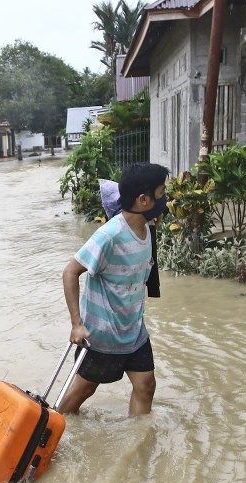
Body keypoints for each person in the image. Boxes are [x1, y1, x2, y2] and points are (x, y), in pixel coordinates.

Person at [58, 163, 170, 417]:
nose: (166, 199)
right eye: (162, 193)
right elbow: (70, 272)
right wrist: (77, 324)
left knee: (146, 385)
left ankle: (137, 444)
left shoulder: (148, 229)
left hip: (133, 331)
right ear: (144, 200)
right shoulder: (109, 235)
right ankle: (52, 429)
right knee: (83, 390)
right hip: (102, 334)